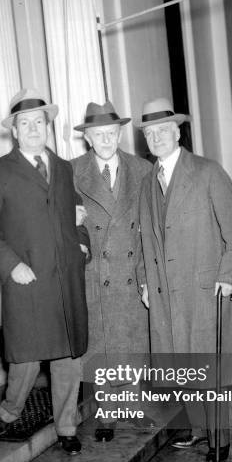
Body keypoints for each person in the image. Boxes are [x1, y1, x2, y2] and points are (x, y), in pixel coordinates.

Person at [137, 97, 232, 462]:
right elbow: (145, 239)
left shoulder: (206, 172)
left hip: (206, 288)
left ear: (178, 132)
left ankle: (219, 441)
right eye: (150, 132)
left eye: (163, 130)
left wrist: (228, 277)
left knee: (212, 365)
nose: (157, 137)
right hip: (166, 291)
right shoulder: (148, 183)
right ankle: (196, 429)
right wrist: (145, 280)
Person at [0, 88, 90, 455]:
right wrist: (11, 265)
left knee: (68, 357)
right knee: (25, 357)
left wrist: (82, 244)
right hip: (27, 279)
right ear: (15, 131)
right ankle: (9, 414)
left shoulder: (65, 168)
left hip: (65, 278)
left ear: (48, 127)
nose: (34, 128)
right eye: (26, 123)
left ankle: (67, 427)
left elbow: (77, 214)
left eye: (40, 122)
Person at [71, 101, 154, 442]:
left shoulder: (144, 169)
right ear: (88, 138)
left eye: (111, 133)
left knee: (132, 340)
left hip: (132, 269)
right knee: (102, 342)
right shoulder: (72, 172)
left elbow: (152, 228)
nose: (105, 139)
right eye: (98, 134)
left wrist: (149, 277)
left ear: (119, 133)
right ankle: (107, 412)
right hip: (95, 273)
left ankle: (131, 406)